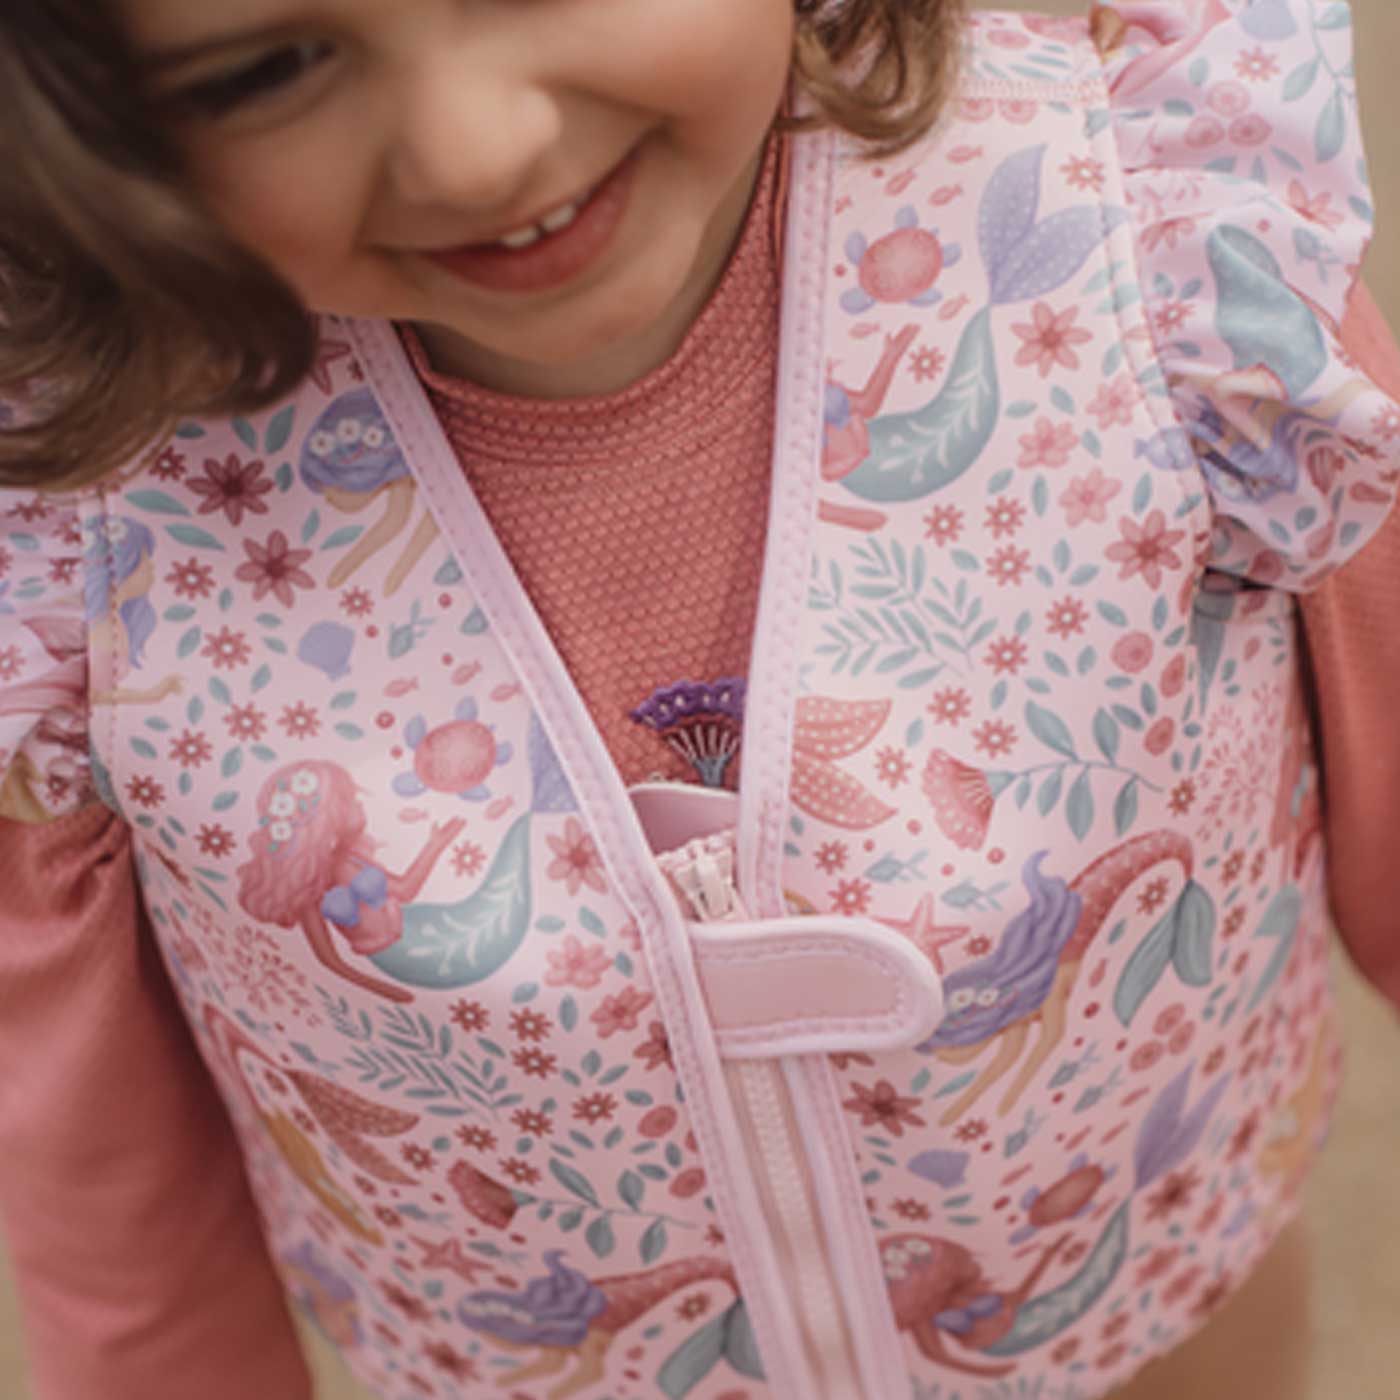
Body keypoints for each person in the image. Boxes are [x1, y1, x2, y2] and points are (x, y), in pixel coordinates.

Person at [0, 2, 1396, 1398]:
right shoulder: (85, 524)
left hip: (1153, 1294)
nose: (478, 148)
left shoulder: (1149, 233)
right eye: (266, 70)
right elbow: (101, 1172)